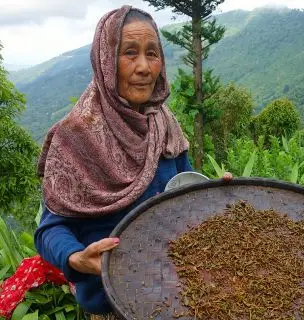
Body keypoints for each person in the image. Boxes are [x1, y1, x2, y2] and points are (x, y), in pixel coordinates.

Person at [34, 5, 232, 317]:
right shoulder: (75, 138)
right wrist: (75, 258)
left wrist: (214, 196)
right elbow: (50, 229)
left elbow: (183, 187)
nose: (144, 67)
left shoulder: (163, 123)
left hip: (175, 292)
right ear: (106, 60)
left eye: (152, 53)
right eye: (129, 53)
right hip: (112, 301)